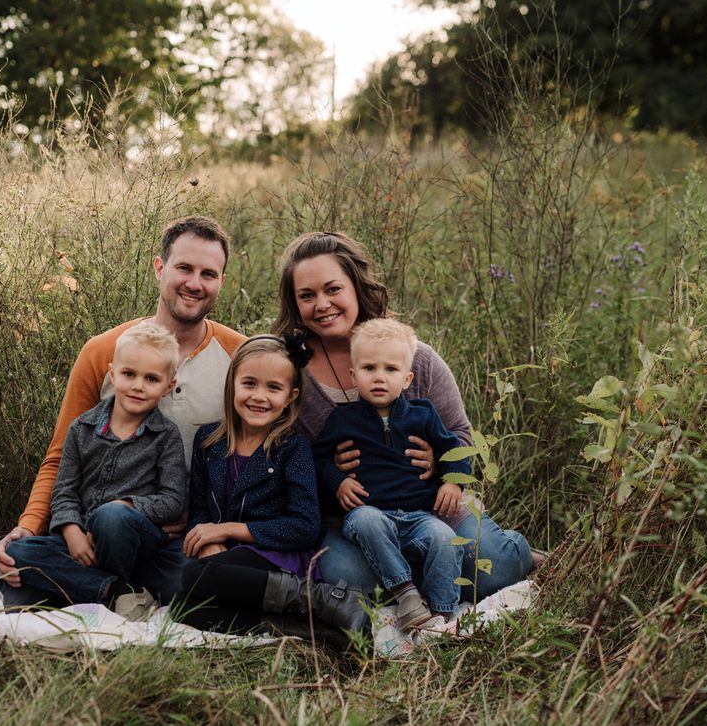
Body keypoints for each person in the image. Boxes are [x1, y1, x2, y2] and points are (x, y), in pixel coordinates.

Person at [0, 215, 246, 607]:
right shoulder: (104, 351)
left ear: (222, 282)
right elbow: (61, 456)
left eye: (208, 274)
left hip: (176, 536)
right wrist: (28, 525)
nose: (195, 283)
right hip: (93, 529)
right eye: (184, 268)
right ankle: (88, 579)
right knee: (6, 575)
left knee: (210, 592)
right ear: (160, 268)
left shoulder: (239, 357)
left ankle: (84, 583)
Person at [272, 231, 534, 602]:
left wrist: (446, 471)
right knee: (348, 579)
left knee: (497, 573)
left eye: (333, 289)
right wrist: (331, 473)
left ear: (356, 286)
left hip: (429, 506)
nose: (322, 304)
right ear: (294, 302)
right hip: (352, 520)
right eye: (307, 296)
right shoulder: (290, 371)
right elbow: (286, 459)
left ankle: (515, 549)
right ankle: (420, 574)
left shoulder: (415, 358)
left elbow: (459, 433)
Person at [174, 335, 369, 645]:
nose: (259, 397)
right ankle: (319, 630)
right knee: (183, 608)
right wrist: (207, 542)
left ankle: (322, 600)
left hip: (279, 559)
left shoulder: (292, 448)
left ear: (291, 396)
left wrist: (225, 530)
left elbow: (305, 526)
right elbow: (199, 508)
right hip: (230, 558)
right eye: (249, 383)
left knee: (191, 578)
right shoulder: (208, 441)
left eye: (273, 388)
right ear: (232, 384)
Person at [3, 324, 187, 605]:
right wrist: (71, 531)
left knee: (111, 517)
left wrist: (127, 506)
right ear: (112, 374)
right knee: (19, 552)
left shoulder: (166, 436)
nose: (138, 386)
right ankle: (115, 592)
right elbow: (63, 490)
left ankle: (84, 586)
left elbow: (173, 500)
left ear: (168, 387)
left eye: (151, 379)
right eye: (129, 374)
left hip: (136, 542)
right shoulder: (82, 428)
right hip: (83, 544)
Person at [315, 318, 468, 631]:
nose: (379, 378)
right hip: (369, 513)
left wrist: (453, 480)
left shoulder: (423, 413)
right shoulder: (342, 420)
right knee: (366, 519)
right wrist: (338, 480)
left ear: (408, 378)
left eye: (390, 369)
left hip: (419, 515)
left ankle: (440, 617)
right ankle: (406, 594)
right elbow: (317, 461)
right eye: (369, 368)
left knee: (447, 539)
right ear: (353, 375)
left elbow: (454, 449)